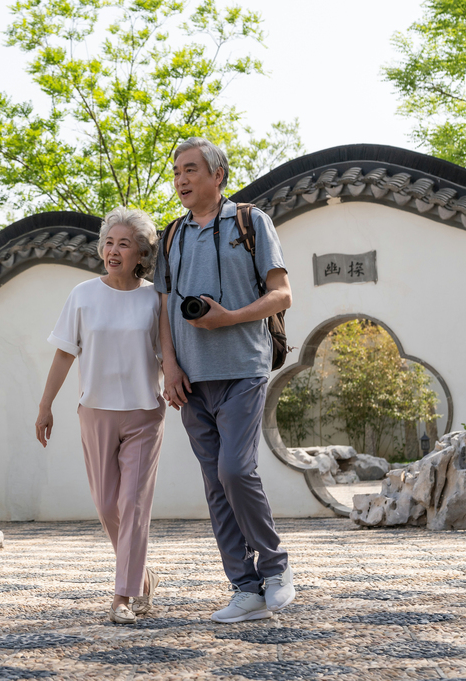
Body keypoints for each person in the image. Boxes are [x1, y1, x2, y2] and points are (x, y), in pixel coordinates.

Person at [153, 137, 296, 623]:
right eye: (176, 172)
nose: (181, 180)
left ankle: (276, 569)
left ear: (217, 175)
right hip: (191, 380)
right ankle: (245, 586)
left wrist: (229, 317)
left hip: (243, 367)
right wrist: (168, 366)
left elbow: (282, 294)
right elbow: (163, 307)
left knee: (236, 471)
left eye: (190, 170)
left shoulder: (251, 222)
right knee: (215, 485)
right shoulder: (171, 235)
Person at [35, 208, 167, 625]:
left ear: (141, 254)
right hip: (95, 411)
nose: (113, 250)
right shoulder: (83, 294)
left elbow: (169, 355)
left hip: (145, 412)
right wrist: (45, 406)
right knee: (108, 502)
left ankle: (123, 597)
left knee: (133, 503)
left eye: (124, 244)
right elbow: (63, 352)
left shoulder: (155, 298)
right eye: (109, 242)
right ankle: (143, 578)